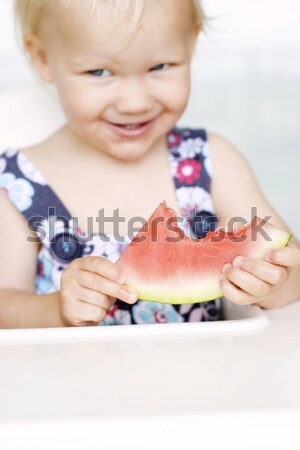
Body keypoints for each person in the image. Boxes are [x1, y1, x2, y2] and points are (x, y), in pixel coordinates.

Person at [0, 0, 299, 329]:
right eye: (99, 72)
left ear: (191, 42)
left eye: (160, 66)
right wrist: (56, 310)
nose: (135, 102)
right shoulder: (17, 183)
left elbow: (290, 263)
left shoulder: (211, 161)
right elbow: (5, 304)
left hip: (206, 378)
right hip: (74, 379)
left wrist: (274, 284)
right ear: (42, 58)